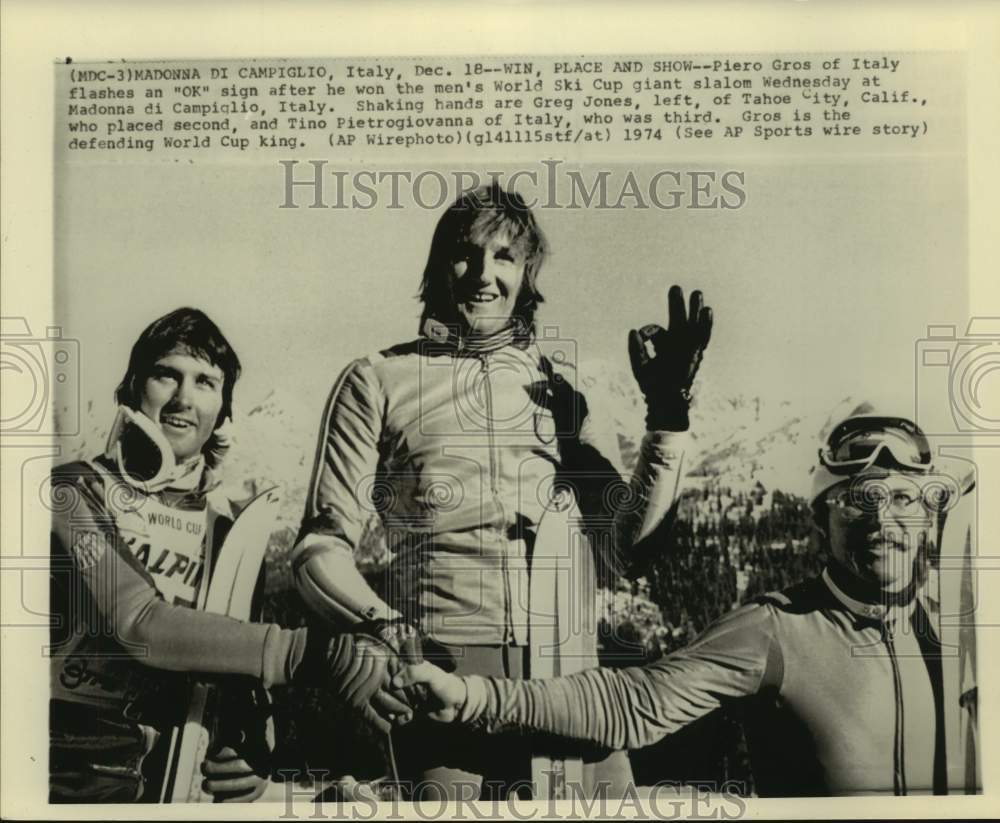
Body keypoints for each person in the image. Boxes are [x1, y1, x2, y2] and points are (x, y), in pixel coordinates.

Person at [293, 183, 713, 800]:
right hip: (441, 680)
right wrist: (388, 632)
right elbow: (318, 552)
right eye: (465, 253)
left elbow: (627, 554)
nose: (483, 274)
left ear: (527, 275)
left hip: (569, 683)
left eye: (505, 256)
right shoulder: (377, 378)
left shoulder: (562, 393)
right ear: (438, 266)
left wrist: (668, 417)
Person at [398, 410, 976, 796]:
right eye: (857, 500)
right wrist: (474, 694)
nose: (883, 519)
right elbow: (637, 703)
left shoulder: (966, 633)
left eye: (905, 497)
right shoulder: (777, 629)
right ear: (820, 523)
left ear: (931, 519)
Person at [49, 308, 411, 803]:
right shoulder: (73, 488)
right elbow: (138, 622)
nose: (182, 399)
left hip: (171, 786)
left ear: (222, 408)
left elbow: (241, 679)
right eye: (166, 375)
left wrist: (249, 756)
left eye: (205, 383)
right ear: (133, 386)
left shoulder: (230, 527)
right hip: (70, 780)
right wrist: (313, 652)